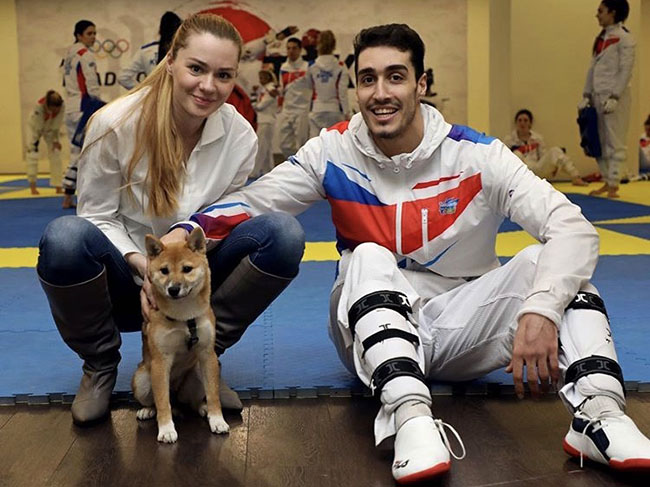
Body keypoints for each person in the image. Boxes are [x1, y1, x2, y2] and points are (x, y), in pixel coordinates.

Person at [165, 23, 650, 483]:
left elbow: (573, 228)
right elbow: (255, 202)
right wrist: (183, 234)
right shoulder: (332, 150)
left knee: (553, 268)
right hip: (366, 332)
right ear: (356, 88)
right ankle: (410, 417)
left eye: (395, 77)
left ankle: (601, 415)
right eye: (368, 79)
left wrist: (541, 309)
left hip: (462, 328)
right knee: (367, 255)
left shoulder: (477, 155)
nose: (380, 93)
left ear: (421, 84)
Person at [37, 13, 305, 426]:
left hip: (194, 285)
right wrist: (142, 266)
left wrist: (188, 248)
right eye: (196, 69)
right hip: (125, 283)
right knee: (64, 239)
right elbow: (95, 217)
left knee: (283, 234)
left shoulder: (240, 137)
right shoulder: (114, 124)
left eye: (223, 75)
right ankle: (100, 364)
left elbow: (227, 214)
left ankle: (203, 357)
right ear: (170, 62)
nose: (208, 86)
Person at [578, 0, 635, 198]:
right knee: (598, 141)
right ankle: (606, 180)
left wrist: (615, 96)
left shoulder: (625, 38)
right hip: (596, 96)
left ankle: (614, 183)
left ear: (613, 12)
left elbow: (626, 70)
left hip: (614, 97)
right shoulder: (601, 38)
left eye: (601, 11)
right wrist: (586, 95)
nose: (597, 15)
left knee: (615, 141)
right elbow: (592, 69)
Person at [61, 20, 106, 209]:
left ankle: (69, 193)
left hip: (71, 107)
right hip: (84, 106)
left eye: (95, 33)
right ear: (79, 35)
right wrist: (99, 104)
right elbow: (91, 84)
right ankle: (72, 193)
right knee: (85, 152)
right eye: (89, 33)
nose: (93, 37)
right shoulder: (85, 54)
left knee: (76, 151)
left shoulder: (68, 54)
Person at [504, 109, 587, 186]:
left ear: (530, 123)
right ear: (516, 123)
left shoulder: (537, 138)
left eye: (525, 120)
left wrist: (553, 165)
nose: (522, 123)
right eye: (519, 120)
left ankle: (575, 177)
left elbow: (544, 157)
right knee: (516, 154)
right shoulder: (509, 140)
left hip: (536, 169)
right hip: (520, 173)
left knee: (555, 151)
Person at [117, 11, 182, 90]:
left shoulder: (146, 50)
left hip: (155, 96)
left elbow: (122, 77)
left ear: (160, 30)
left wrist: (145, 92)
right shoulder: (183, 50)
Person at [306, 30, 350, 138]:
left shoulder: (311, 66)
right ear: (334, 45)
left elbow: (309, 89)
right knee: (335, 143)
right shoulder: (340, 66)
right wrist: (346, 112)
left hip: (317, 109)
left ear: (318, 44)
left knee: (315, 143)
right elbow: (342, 92)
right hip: (334, 109)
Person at [277, 37, 311, 159]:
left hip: (302, 111)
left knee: (302, 145)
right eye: (288, 48)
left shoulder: (307, 67)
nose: (291, 51)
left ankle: (303, 167)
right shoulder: (283, 67)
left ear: (300, 50)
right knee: (284, 144)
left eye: (294, 48)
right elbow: (282, 88)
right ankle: (294, 164)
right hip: (287, 110)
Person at [25, 90, 64, 195]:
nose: (56, 111)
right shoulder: (38, 108)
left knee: (56, 153)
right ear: (48, 105)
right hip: (34, 127)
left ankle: (58, 185)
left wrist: (56, 140)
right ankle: (32, 185)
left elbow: (57, 124)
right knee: (32, 154)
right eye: (54, 109)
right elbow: (38, 128)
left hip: (50, 128)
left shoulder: (62, 106)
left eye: (58, 108)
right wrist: (34, 143)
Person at [251, 69, 279, 177]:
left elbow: (259, 106)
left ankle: (254, 171)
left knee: (261, 146)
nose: (260, 80)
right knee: (267, 147)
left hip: (266, 121)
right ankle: (269, 170)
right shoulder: (264, 89)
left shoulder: (270, 89)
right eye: (260, 78)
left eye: (262, 78)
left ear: (268, 78)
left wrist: (253, 96)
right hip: (266, 120)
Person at [638, 114, 650, 180]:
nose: (647, 132)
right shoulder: (642, 137)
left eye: (649, 130)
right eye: (646, 130)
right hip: (642, 164)